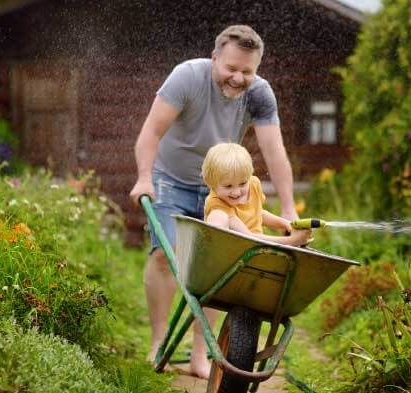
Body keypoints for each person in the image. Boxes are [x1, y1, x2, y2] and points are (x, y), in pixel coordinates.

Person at [128, 25, 298, 379]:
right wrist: (144, 176)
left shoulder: (260, 94)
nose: (238, 78)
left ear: (257, 68)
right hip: (169, 177)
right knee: (164, 254)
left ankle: (200, 356)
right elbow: (151, 132)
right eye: (231, 68)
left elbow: (274, 152)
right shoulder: (187, 77)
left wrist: (288, 208)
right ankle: (159, 342)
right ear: (215, 57)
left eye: (247, 71)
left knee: (218, 268)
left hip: (222, 188)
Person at [202, 143, 311, 245]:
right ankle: (215, 248)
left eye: (242, 183)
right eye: (228, 186)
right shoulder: (216, 203)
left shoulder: (253, 184)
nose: (237, 192)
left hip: (257, 250)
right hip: (236, 250)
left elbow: (258, 213)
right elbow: (248, 237)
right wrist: (291, 241)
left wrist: (287, 224)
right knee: (218, 217)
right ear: (211, 183)